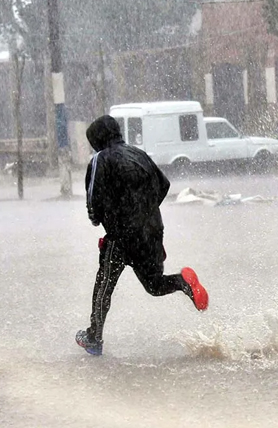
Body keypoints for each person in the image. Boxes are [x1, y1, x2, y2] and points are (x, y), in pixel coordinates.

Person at [76, 115, 208, 356]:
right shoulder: (139, 154)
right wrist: (144, 214)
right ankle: (183, 283)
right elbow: (164, 185)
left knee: (104, 285)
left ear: (97, 139)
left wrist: (99, 218)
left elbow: (93, 198)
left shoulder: (100, 159)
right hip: (151, 232)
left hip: (120, 236)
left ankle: (94, 338)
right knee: (154, 284)